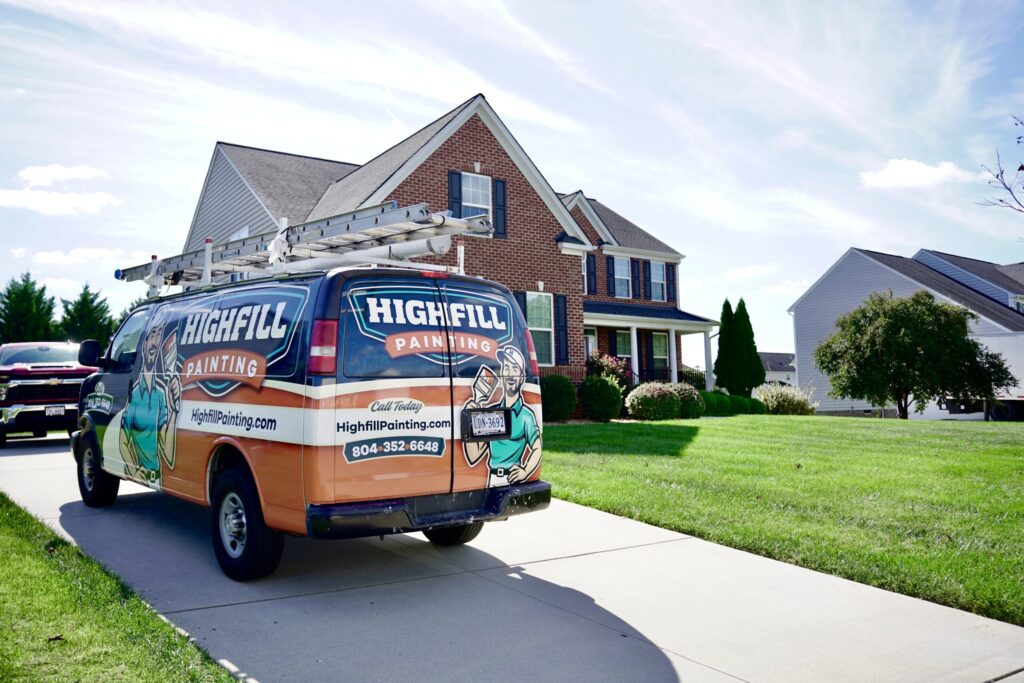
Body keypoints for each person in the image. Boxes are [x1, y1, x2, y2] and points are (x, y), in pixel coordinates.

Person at [463, 345, 541, 487]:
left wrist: (525, 471)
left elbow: (537, 448)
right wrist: (469, 421)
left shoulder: (526, 416)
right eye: (506, 368)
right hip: (492, 479)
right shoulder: (492, 413)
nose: (510, 374)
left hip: (513, 479)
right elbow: (473, 456)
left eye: (515, 369)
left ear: (522, 378)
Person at [119, 313, 181, 482]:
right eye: (152, 334)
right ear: (144, 345)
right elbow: (124, 439)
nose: (155, 340)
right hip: (141, 473)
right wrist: (134, 469)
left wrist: (174, 411)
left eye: (159, 335)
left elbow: (168, 455)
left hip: (158, 478)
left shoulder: (161, 395)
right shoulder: (135, 393)